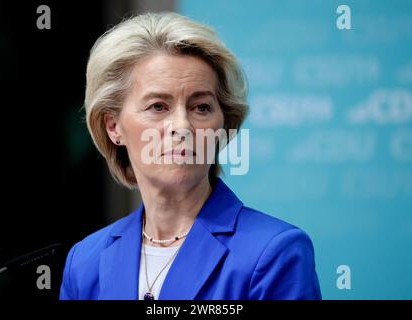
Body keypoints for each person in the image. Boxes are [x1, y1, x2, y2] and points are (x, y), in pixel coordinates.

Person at [59, 12, 321, 300]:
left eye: (201, 107)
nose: (182, 127)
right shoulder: (84, 263)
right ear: (113, 127)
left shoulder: (275, 252)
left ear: (223, 124)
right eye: (158, 106)